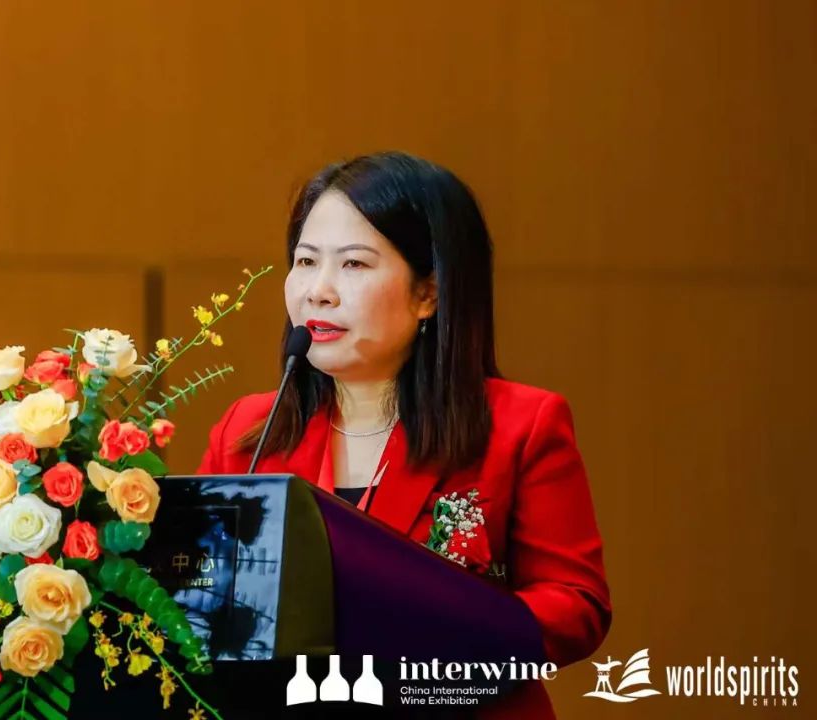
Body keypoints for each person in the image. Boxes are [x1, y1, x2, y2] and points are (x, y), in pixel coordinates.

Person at [196, 151, 610, 719]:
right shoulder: (248, 431)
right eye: (306, 261)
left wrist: (443, 631)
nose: (318, 291)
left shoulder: (521, 425)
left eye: (354, 264)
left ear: (428, 293)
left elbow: (577, 606)